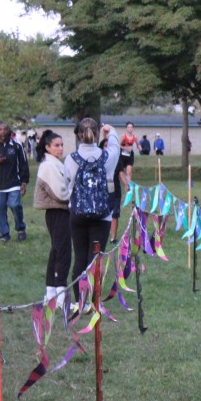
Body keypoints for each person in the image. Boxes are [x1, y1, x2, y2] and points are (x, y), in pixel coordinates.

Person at [65, 119, 119, 285]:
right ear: (97, 134)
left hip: (78, 214)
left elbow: (66, 184)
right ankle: (92, 297)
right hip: (102, 216)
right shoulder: (107, 156)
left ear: (79, 135)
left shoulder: (71, 159)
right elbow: (115, 144)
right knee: (95, 260)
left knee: (80, 259)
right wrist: (110, 130)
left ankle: (79, 297)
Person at [33, 130, 72, 304]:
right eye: (57, 145)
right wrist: (74, 193)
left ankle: (51, 293)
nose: (61, 148)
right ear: (48, 147)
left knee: (57, 250)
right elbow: (60, 193)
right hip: (57, 212)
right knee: (63, 252)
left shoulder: (55, 163)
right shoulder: (49, 165)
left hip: (60, 212)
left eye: (62, 145)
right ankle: (60, 294)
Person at [0, 123, 30, 242]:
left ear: (9, 131)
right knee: (0, 209)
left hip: (14, 183)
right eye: (0, 129)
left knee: (15, 205)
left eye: (5, 129)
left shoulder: (17, 146)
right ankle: (4, 234)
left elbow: (24, 164)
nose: (3, 132)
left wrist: (24, 182)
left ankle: (20, 229)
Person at [108, 133, 134, 243]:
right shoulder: (99, 158)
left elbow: (120, 172)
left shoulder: (115, 159)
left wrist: (126, 184)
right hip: (101, 190)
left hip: (114, 189)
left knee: (114, 214)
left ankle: (113, 237)